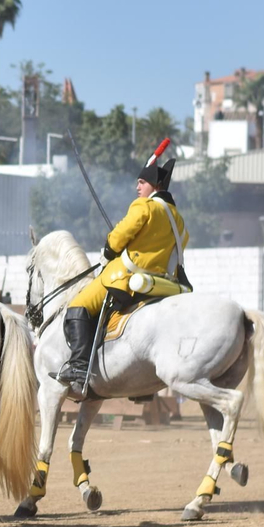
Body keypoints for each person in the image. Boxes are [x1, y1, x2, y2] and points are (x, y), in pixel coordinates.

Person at [57, 144, 188, 394]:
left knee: (78, 306)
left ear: (154, 185)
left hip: (125, 278)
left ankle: (79, 366)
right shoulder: (177, 218)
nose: (137, 187)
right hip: (162, 284)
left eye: (142, 182)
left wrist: (109, 250)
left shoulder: (143, 206)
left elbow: (119, 236)